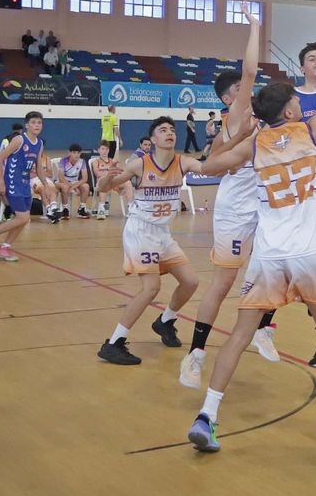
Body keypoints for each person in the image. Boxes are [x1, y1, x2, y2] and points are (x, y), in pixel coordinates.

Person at [185, 6, 316, 452]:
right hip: (309, 252)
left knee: (239, 333)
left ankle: (208, 413)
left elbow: (209, 166)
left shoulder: (253, 146)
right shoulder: (313, 130)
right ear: (291, 107)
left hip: (269, 255)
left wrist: (208, 151)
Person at [92, 117, 246, 366]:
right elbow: (102, 188)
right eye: (163, 130)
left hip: (162, 232)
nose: (169, 133)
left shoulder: (182, 161)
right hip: (141, 231)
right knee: (151, 288)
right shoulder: (139, 165)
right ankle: (113, 343)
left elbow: (208, 168)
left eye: (172, 130)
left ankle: (165, 321)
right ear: (153, 139)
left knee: (190, 281)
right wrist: (108, 178)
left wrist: (237, 140)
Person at [181, 9, 274, 386]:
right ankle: (195, 354)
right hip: (236, 208)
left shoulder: (265, 115)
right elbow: (249, 72)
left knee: (275, 268)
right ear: (226, 98)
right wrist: (254, 28)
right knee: (222, 283)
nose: (246, 91)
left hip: (266, 204)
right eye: (238, 90)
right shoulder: (236, 116)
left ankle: (265, 326)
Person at [254, 30, 316, 370]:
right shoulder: (286, 100)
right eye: (312, 58)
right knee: (288, 249)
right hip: (292, 180)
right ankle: (277, 322)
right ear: (300, 67)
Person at [0, 111, 49, 262]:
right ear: (27, 125)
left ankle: (4, 248)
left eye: (39, 122)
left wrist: (46, 185)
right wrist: (1, 182)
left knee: (24, 219)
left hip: (24, 183)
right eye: (34, 122)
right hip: (12, 181)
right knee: (23, 218)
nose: (37, 125)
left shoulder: (40, 144)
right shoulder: (19, 140)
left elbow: (38, 168)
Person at [56, 145, 92, 217]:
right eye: (74, 153)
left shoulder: (82, 162)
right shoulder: (63, 161)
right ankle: (65, 209)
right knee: (65, 187)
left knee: (86, 186)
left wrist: (74, 186)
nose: (77, 155)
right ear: (69, 153)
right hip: (63, 181)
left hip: (74, 181)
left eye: (78, 153)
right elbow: (61, 177)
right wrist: (70, 185)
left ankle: (82, 208)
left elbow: (85, 178)